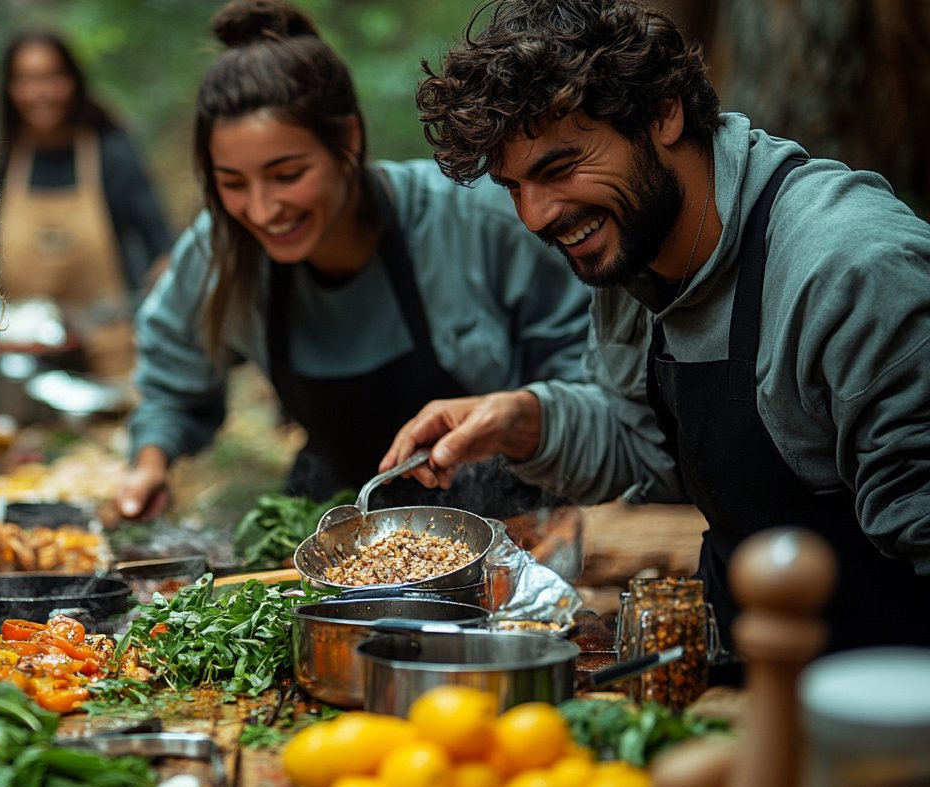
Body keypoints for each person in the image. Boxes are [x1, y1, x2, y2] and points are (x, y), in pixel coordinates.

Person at [386, 0, 930, 665]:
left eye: (558, 169)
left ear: (664, 113)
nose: (535, 216)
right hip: (729, 669)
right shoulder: (633, 252)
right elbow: (654, 452)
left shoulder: (851, 272)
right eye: (512, 187)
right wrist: (525, 419)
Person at [115, 0, 590, 522]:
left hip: (508, 529)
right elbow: (170, 372)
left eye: (287, 174)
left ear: (349, 139)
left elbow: (590, 382)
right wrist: (150, 462)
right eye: (232, 184)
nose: (262, 209)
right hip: (333, 529)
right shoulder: (220, 251)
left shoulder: (475, 222)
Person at [0, 30, 174, 379]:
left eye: (52, 78)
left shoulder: (110, 152)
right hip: (24, 362)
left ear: (72, 81)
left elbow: (160, 246)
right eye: (26, 80)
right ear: (10, 90)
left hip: (112, 353)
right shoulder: (4, 161)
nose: (40, 93)